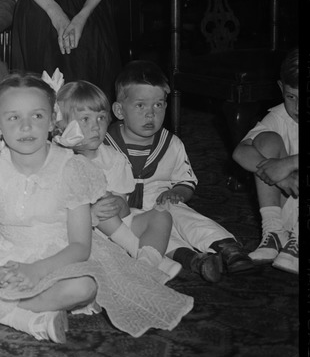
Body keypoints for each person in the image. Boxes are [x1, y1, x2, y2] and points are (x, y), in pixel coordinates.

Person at [0, 74, 193, 344]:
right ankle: (28, 316)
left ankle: (10, 308)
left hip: (59, 257)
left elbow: (79, 246)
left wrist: (36, 271)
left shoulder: (72, 169)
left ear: (53, 119)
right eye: (14, 118)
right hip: (6, 253)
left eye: (37, 116)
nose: (27, 127)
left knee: (85, 286)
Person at [105, 60, 255, 281]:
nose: (150, 114)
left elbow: (186, 180)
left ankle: (227, 247)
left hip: (161, 200)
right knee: (146, 236)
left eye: (159, 105)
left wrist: (178, 194)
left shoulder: (171, 144)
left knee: (182, 215)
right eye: (140, 105)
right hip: (128, 212)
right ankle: (194, 260)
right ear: (119, 110)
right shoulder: (105, 144)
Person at [53, 78, 181, 281]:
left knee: (161, 216)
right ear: (60, 125)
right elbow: (52, 209)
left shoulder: (113, 157)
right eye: (85, 119)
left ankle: (145, 263)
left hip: (118, 225)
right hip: (83, 232)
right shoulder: (56, 159)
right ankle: (145, 257)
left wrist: (116, 202)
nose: (96, 127)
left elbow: (124, 207)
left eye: (101, 118)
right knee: (98, 194)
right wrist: (91, 212)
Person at [233, 48, 299, 274]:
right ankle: (275, 232)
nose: (299, 108)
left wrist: (289, 164)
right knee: (265, 142)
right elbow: (240, 152)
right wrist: (281, 178)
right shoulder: (280, 116)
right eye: (292, 97)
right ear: (281, 89)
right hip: (290, 203)